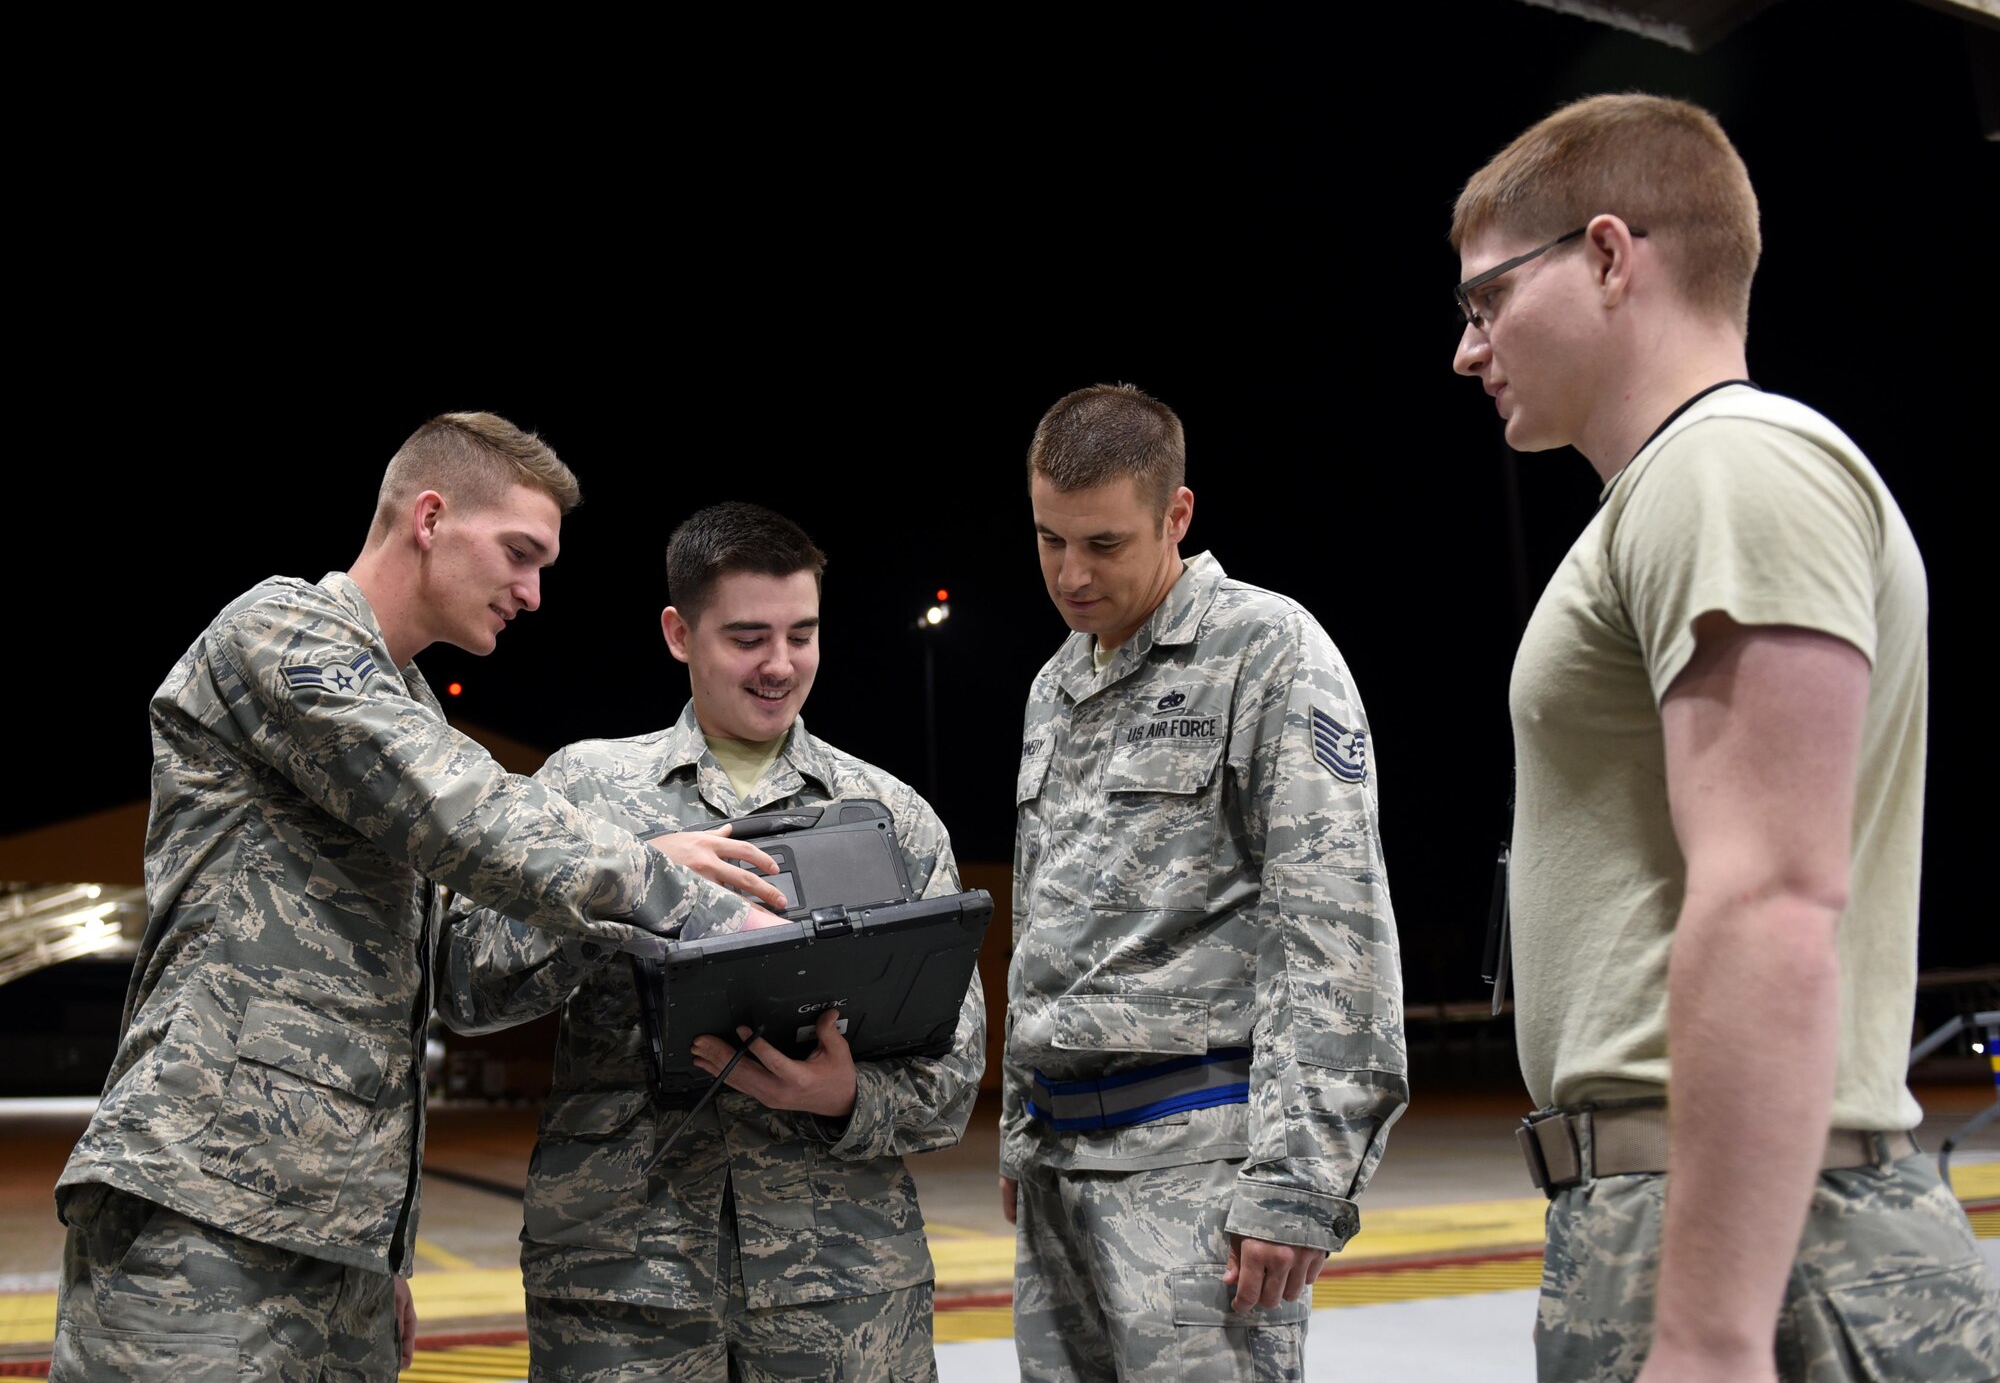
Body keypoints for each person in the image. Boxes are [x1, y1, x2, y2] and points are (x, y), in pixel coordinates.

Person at [51, 413, 784, 1383]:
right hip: (205, 1215)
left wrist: (377, 1248)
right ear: (431, 517)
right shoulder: (281, 631)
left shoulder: (411, 707)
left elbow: (463, 976)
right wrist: (672, 885)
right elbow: (461, 809)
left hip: (339, 1250)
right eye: (519, 553)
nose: (533, 593)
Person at [1449, 93, 2000, 1382]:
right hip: (1690, 1213)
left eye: (1486, 299)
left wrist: (1707, 1333)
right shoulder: (1678, 488)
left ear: (1605, 255)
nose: (1466, 349)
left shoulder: (1727, 467)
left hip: (1744, 1232)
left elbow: (1767, 895)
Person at [435, 500, 986, 1382]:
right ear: (678, 633)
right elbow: (469, 984)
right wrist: (623, 883)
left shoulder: (893, 816)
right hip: (624, 1285)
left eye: (802, 634)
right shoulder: (586, 792)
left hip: (841, 1287)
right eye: (747, 637)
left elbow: (956, 1070)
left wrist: (848, 1095)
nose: (780, 664)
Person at [999, 383, 1408, 1382]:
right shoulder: (1056, 685)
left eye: (1103, 543)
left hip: (1197, 1176)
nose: (1070, 573)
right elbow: (1043, 925)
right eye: (1050, 539)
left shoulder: (1266, 650)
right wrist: (1018, 1128)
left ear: (1176, 514)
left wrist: (1299, 1184)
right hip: (1058, 1169)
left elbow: (1332, 925)